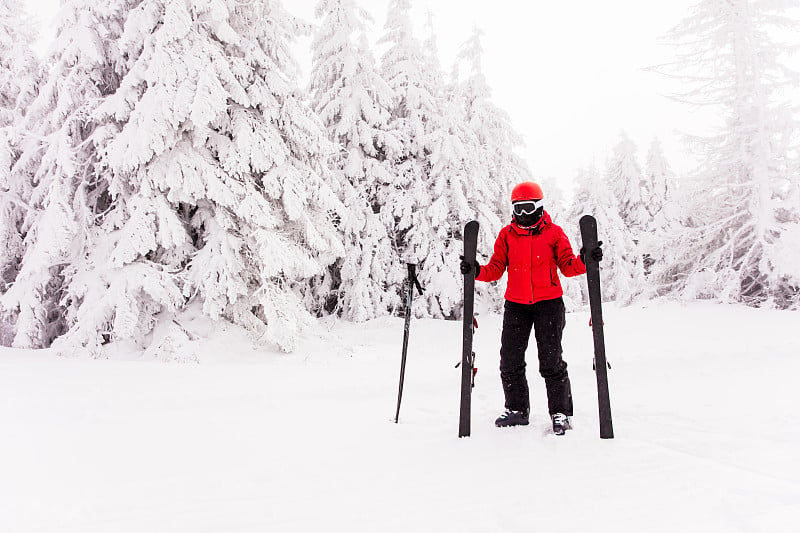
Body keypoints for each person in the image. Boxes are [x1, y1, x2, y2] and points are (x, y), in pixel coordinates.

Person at [460, 181, 603, 435]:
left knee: (551, 360)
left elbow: (569, 266)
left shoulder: (554, 233)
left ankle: (560, 412)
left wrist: (585, 260)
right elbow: (495, 269)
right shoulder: (507, 235)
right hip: (516, 305)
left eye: (528, 208)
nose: (523, 215)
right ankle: (517, 409)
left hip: (548, 304)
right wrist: (476, 271)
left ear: (538, 207)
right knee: (510, 360)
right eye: (518, 209)